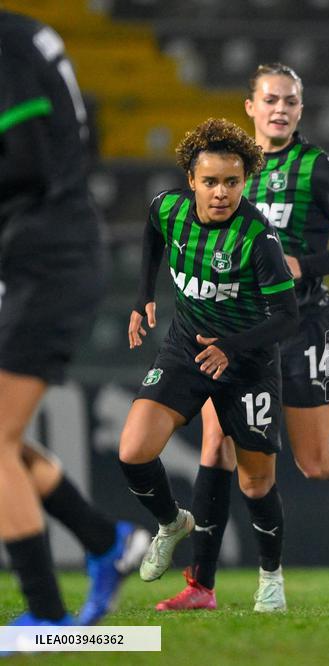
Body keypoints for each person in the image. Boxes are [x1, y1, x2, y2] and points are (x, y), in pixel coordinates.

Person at [154, 64, 329, 612]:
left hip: (303, 323)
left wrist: (303, 263)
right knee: (216, 445)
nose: (280, 109)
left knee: (313, 461)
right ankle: (201, 585)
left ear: (300, 110)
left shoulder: (317, 168)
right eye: (270, 99)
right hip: (239, 331)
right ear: (250, 107)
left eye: (291, 101)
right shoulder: (228, 169)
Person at [0, 9, 149, 628]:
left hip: (47, 257)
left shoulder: (4, 44)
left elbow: (30, 161)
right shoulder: (22, 33)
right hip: (43, 248)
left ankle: (45, 614)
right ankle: (104, 542)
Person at [120, 118, 299, 612]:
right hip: (186, 347)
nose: (222, 193)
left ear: (245, 182)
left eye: (232, 182)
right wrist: (143, 297)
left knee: (255, 481)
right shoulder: (168, 208)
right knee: (134, 450)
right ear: (191, 181)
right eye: (211, 181)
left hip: (247, 361)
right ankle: (171, 522)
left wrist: (233, 348)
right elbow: (152, 235)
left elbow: (287, 316)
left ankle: (270, 578)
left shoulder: (257, 238)